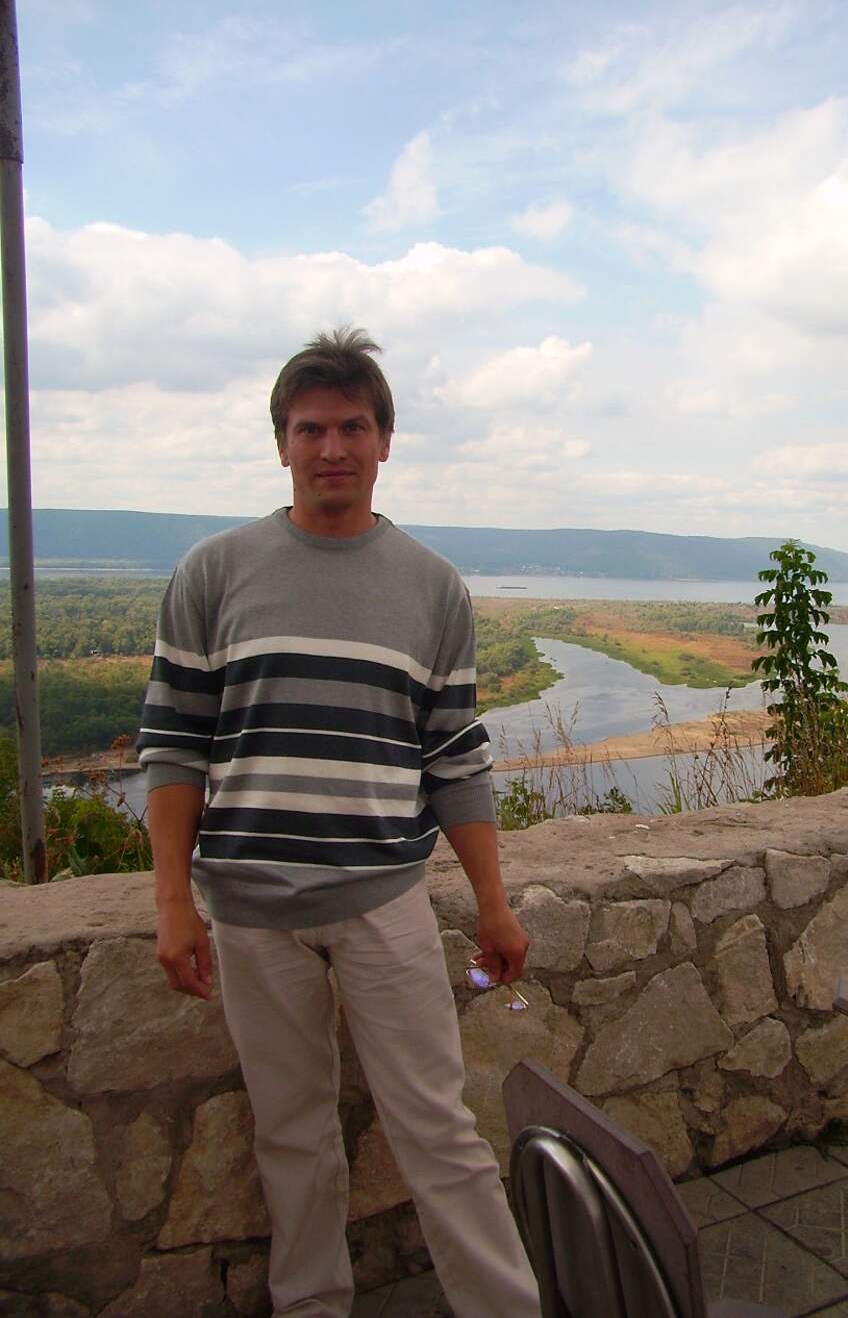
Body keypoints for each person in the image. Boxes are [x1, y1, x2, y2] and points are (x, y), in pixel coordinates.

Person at [139, 328, 542, 1318]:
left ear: (384, 441)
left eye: (352, 427)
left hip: (384, 902)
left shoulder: (432, 587)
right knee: (290, 1134)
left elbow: (454, 760)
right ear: (281, 442)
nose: (332, 447)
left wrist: (493, 905)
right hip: (250, 909)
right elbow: (173, 747)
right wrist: (172, 904)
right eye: (310, 428)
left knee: (439, 1130)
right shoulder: (213, 573)